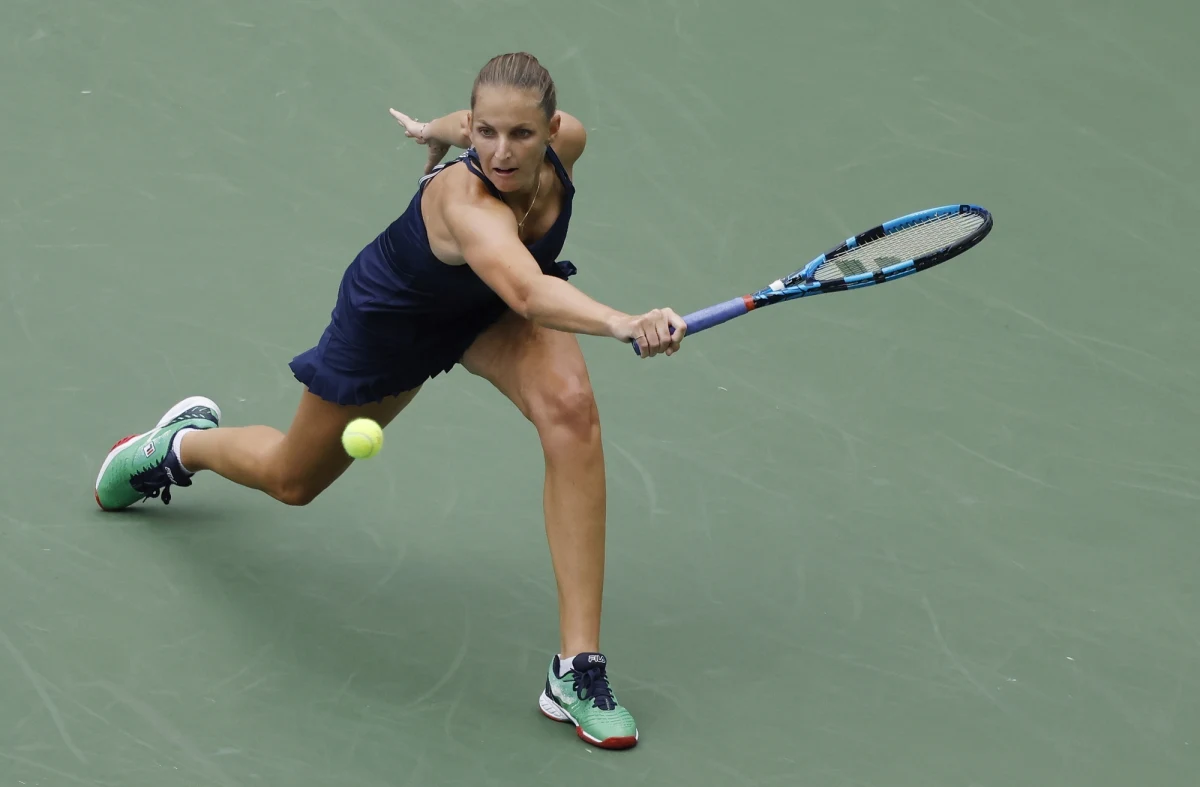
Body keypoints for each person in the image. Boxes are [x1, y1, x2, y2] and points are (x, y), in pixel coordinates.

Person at [93, 52, 687, 750]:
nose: (499, 151)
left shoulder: (567, 144)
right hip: (396, 322)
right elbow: (529, 293)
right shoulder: (467, 206)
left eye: (521, 136)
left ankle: (577, 668)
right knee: (293, 478)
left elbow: (504, 243)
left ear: (552, 129)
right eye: (485, 133)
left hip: (488, 312)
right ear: (477, 125)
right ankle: (178, 445)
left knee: (571, 409)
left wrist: (431, 131)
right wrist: (623, 321)